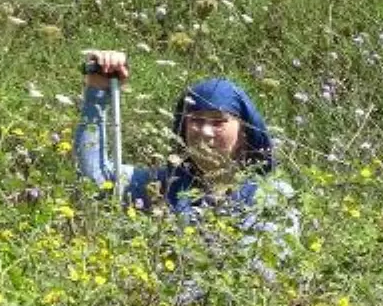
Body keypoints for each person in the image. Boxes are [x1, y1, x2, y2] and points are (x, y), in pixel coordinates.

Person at [74, 49, 283, 217]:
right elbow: (97, 178)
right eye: (196, 120)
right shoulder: (162, 185)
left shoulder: (270, 197)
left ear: (244, 134)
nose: (205, 132)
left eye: (218, 122)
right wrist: (98, 91)